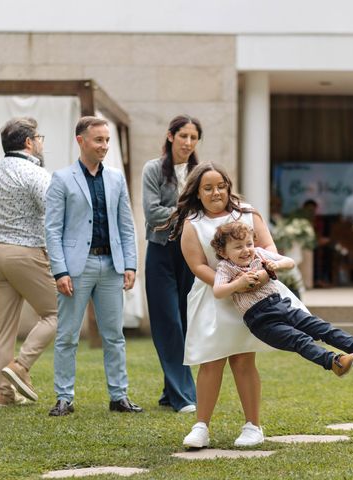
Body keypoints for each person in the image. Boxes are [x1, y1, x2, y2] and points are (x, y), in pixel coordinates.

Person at [166, 162, 308, 449]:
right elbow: (197, 265)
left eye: (221, 186)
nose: (216, 192)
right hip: (213, 296)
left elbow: (269, 248)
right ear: (197, 192)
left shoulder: (247, 213)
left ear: (229, 187)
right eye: (208, 188)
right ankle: (201, 426)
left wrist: (257, 275)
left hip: (253, 296)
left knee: (243, 360)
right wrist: (231, 285)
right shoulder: (192, 225)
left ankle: (253, 425)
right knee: (211, 361)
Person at [45, 116, 142, 416]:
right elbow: (52, 229)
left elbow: (126, 225)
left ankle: (119, 396)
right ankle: (64, 398)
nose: (104, 146)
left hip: (111, 265)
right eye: (99, 140)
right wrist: (60, 271)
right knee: (68, 336)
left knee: (114, 335)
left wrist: (130, 264)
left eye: (107, 140)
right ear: (81, 141)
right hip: (76, 268)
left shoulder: (115, 178)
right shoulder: (61, 179)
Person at [211, 221, 353, 376]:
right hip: (261, 320)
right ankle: (335, 362)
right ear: (224, 252)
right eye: (238, 247)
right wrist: (238, 283)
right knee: (299, 340)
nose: (246, 250)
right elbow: (218, 291)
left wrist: (276, 264)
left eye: (248, 243)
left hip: (281, 305)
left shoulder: (259, 254)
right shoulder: (226, 267)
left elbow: (290, 262)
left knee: (321, 327)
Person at [0, 117, 57, 407]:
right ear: (29, 143)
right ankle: (20, 366)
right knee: (58, 313)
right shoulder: (35, 174)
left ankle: (5, 393)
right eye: (39, 137)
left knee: (3, 328)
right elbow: (54, 216)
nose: (41, 143)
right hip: (24, 253)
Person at [142, 115, 202, 413]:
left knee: (186, 323)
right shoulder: (153, 169)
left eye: (193, 138)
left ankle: (170, 391)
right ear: (170, 137)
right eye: (183, 136)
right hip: (160, 252)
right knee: (169, 323)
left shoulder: (200, 173)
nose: (188, 143)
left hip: (191, 255)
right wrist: (190, 213)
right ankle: (184, 397)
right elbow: (153, 214)